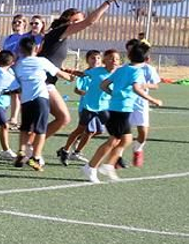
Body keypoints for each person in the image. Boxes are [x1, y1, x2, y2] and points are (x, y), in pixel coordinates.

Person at [84, 40, 162, 182]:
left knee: (125, 139)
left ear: (129, 56)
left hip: (117, 108)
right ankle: (91, 167)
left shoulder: (121, 69)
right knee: (112, 141)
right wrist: (153, 100)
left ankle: (108, 165)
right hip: (121, 110)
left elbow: (104, 85)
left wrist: (113, 94)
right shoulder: (137, 72)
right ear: (146, 59)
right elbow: (136, 88)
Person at [10, 37, 76, 170]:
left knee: (25, 128)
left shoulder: (18, 65)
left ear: (21, 50)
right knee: (41, 130)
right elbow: (60, 74)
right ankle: (36, 156)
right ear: (37, 48)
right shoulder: (42, 61)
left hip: (26, 100)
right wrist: (71, 77)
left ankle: (22, 152)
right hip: (41, 98)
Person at [58, 50, 113, 166]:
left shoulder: (106, 72)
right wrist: (87, 93)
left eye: (98, 58)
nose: (96, 60)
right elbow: (77, 89)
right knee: (88, 130)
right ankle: (71, 151)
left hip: (103, 107)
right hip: (87, 106)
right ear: (87, 60)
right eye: (92, 58)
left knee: (97, 131)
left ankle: (74, 144)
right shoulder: (87, 74)